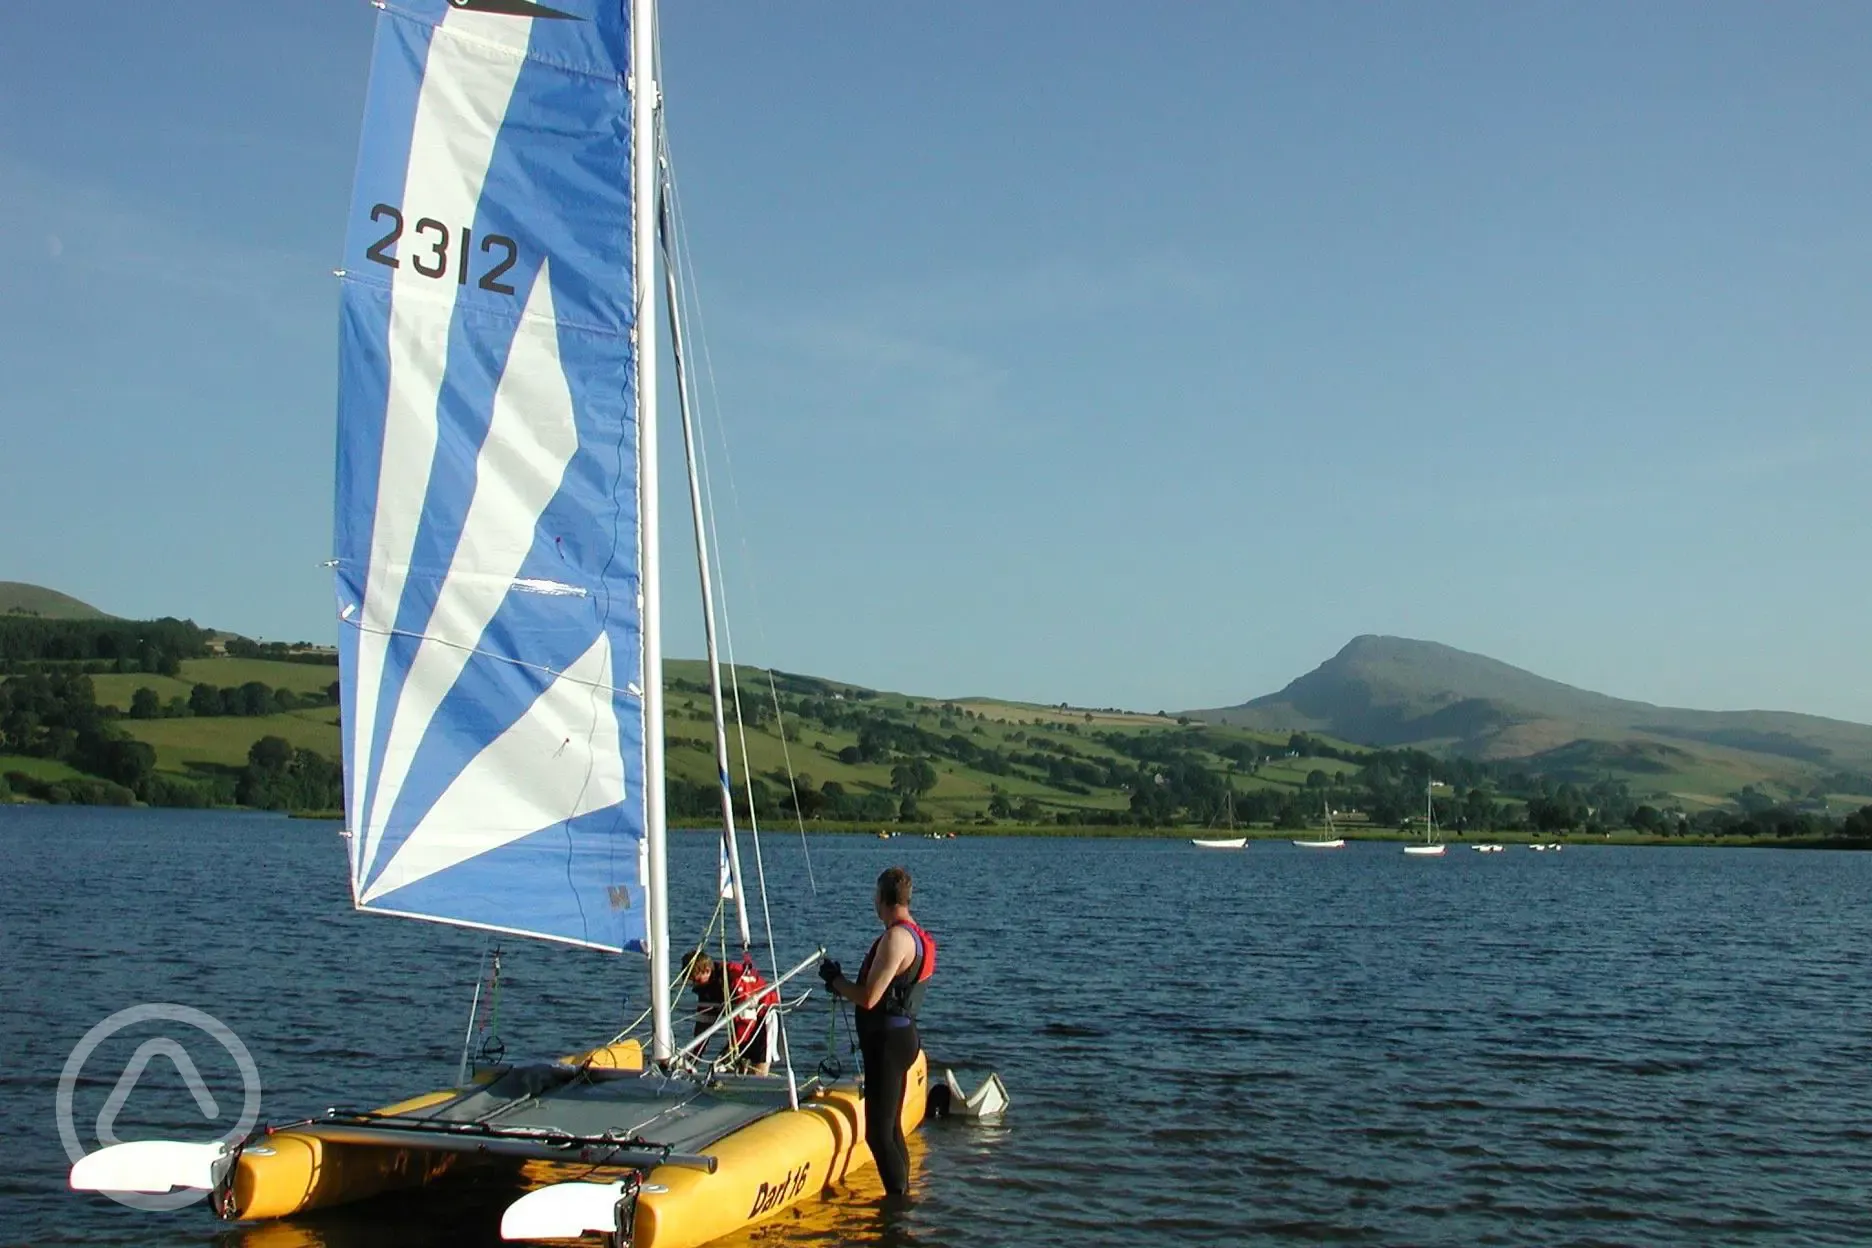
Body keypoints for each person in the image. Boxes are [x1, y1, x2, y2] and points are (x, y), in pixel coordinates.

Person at [819, 866, 935, 1197]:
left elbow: (870, 998)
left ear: (881, 899)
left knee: (878, 1135)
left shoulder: (896, 938)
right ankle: (903, 1196)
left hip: (888, 1043)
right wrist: (841, 983)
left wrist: (835, 981)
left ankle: (897, 1210)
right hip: (899, 1037)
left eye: (875, 897)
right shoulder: (915, 936)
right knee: (891, 1129)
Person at [684, 949, 778, 1075]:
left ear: (707, 970)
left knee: (758, 1071)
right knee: (733, 1069)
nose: (694, 984)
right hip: (740, 1024)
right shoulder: (705, 988)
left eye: (696, 979)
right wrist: (693, 1059)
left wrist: (728, 1053)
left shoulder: (733, 977)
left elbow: (746, 1021)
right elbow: (703, 1029)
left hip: (762, 1018)